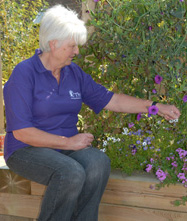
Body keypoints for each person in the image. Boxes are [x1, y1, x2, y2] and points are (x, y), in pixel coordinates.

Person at [3, 5, 181, 221]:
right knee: (70, 172)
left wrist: (154, 106)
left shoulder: (73, 73)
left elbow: (111, 99)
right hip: (26, 149)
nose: (77, 51)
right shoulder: (24, 73)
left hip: (62, 147)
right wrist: (68, 143)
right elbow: (22, 132)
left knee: (98, 162)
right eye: (72, 46)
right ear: (54, 44)